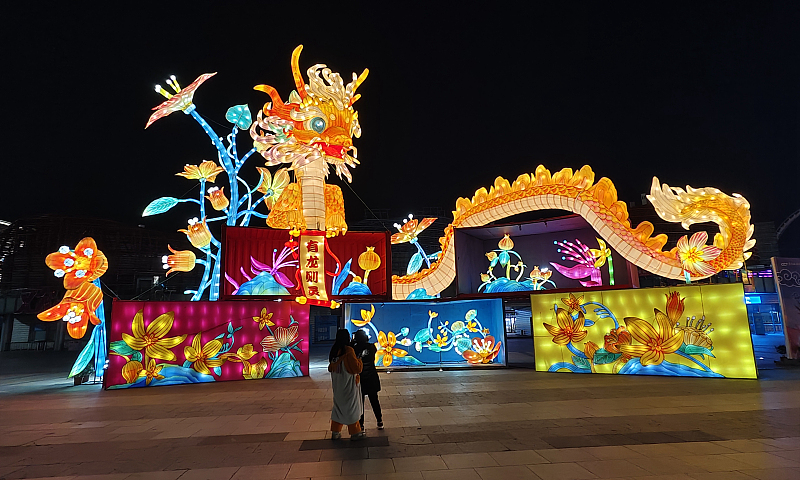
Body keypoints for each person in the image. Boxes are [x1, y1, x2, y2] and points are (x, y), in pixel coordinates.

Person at [328, 329, 365, 441]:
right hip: (349, 384)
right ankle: (355, 432)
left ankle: (335, 432)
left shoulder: (334, 351)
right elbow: (356, 368)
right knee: (351, 408)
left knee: (338, 408)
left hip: (337, 385)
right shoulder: (349, 350)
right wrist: (359, 359)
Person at [352, 329, 383, 431]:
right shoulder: (371, 347)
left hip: (360, 379)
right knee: (374, 400)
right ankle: (379, 421)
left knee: (360, 403)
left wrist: (352, 343)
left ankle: (361, 425)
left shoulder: (354, 349)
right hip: (371, 377)